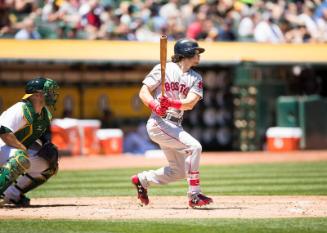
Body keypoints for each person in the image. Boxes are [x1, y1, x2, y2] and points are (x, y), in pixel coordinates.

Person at [131, 38, 213, 208]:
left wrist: (172, 103)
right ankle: (194, 194)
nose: (199, 55)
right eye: (196, 51)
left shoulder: (196, 77)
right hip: (159, 122)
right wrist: (155, 104)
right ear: (187, 53)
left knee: (179, 172)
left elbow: (190, 103)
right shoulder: (164, 68)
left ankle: (143, 180)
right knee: (195, 147)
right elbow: (144, 92)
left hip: (175, 125)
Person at [0, 77, 59, 207]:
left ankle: (12, 195)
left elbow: (38, 136)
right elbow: (4, 131)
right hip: (4, 148)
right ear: (37, 95)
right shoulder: (21, 108)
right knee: (21, 157)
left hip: (10, 152)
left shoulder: (45, 115)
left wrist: (48, 148)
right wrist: (22, 149)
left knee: (49, 166)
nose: (52, 94)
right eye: (48, 91)